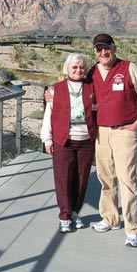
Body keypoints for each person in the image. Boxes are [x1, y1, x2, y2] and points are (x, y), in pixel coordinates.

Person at [46, 34, 137, 246]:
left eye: (106, 48)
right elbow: (73, 85)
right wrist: (49, 91)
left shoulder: (129, 68)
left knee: (127, 179)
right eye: (99, 50)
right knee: (106, 178)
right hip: (100, 132)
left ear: (114, 48)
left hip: (124, 131)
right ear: (95, 52)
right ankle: (110, 218)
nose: (103, 53)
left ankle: (133, 228)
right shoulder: (93, 71)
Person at [41, 53, 97, 233]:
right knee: (63, 178)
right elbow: (48, 116)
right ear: (67, 68)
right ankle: (64, 215)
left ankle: (75, 212)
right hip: (63, 141)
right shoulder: (55, 90)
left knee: (81, 179)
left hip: (86, 141)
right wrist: (47, 139)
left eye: (81, 67)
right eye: (74, 67)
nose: (78, 70)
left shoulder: (92, 88)